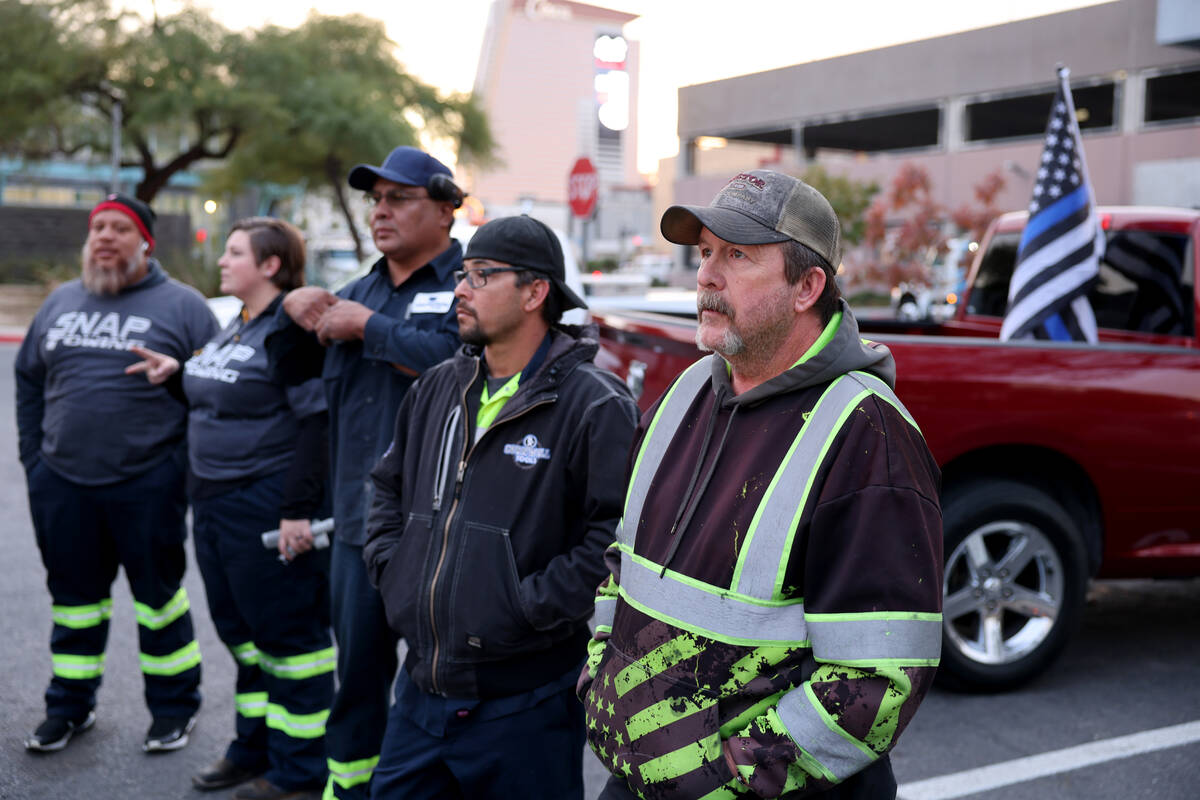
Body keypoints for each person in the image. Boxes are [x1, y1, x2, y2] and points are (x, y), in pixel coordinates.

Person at [580, 170, 943, 800]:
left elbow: (881, 678)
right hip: (636, 782)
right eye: (705, 253)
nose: (706, 276)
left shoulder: (867, 433)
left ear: (807, 286)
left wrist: (725, 777)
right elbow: (623, 562)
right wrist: (598, 683)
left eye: (738, 255)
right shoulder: (684, 394)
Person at [362, 215, 638, 799]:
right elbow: (386, 487)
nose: (461, 289)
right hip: (420, 694)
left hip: (523, 706)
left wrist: (524, 605)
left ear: (536, 292)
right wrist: (394, 572)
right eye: (463, 274)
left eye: (482, 275)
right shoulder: (436, 386)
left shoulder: (594, 404)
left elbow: (615, 539)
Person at [265, 146, 464, 799]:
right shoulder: (355, 289)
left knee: (450, 682)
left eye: (398, 198)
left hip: (452, 529)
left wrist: (371, 330)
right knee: (358, 681)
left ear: (444, 208)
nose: (381, 211)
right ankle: (352, 789)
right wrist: (291, 309)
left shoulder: (475, 283)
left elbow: (465, 366)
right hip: (359, 525)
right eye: (375, 200)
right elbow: (293, 377)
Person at [127, 218, 332, 800]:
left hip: (264, 505)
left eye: (235, 252)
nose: (222, 260)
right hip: (214, 503)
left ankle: (299, 772)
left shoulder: (286, 335)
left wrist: (296, 510)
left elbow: (316, 423)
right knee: (243, 637)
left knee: (291, 644)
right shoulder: (233, 327)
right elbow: (222, 396)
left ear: (270, 266)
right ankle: (253, 748)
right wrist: (176, 375)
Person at [15, 193, 216, 754]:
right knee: (74, 601)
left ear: (144, 242)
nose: (103, 236)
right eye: (97, 227)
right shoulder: (60, 302)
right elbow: (29, 380)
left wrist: (181, 466)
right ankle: (69, 707)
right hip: (61, 481)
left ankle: (175, 709)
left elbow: (219, 388)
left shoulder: (183, 307)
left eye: (118, 228)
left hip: (149, 482)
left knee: (159, 602)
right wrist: (34, 458)